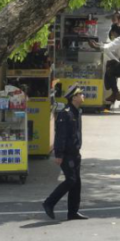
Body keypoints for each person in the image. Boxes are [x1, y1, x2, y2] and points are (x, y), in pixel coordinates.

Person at [44, 86, 87, 221]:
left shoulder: (77, 111)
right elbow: (60, 135)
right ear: (74, 97)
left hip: (75, 152)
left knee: (76, 183)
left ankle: (73, 212)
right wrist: (59, 154)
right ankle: (49, 203)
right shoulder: (65, 114)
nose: (82, 95)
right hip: (67, 154)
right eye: (80, 94)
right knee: (71, 180)